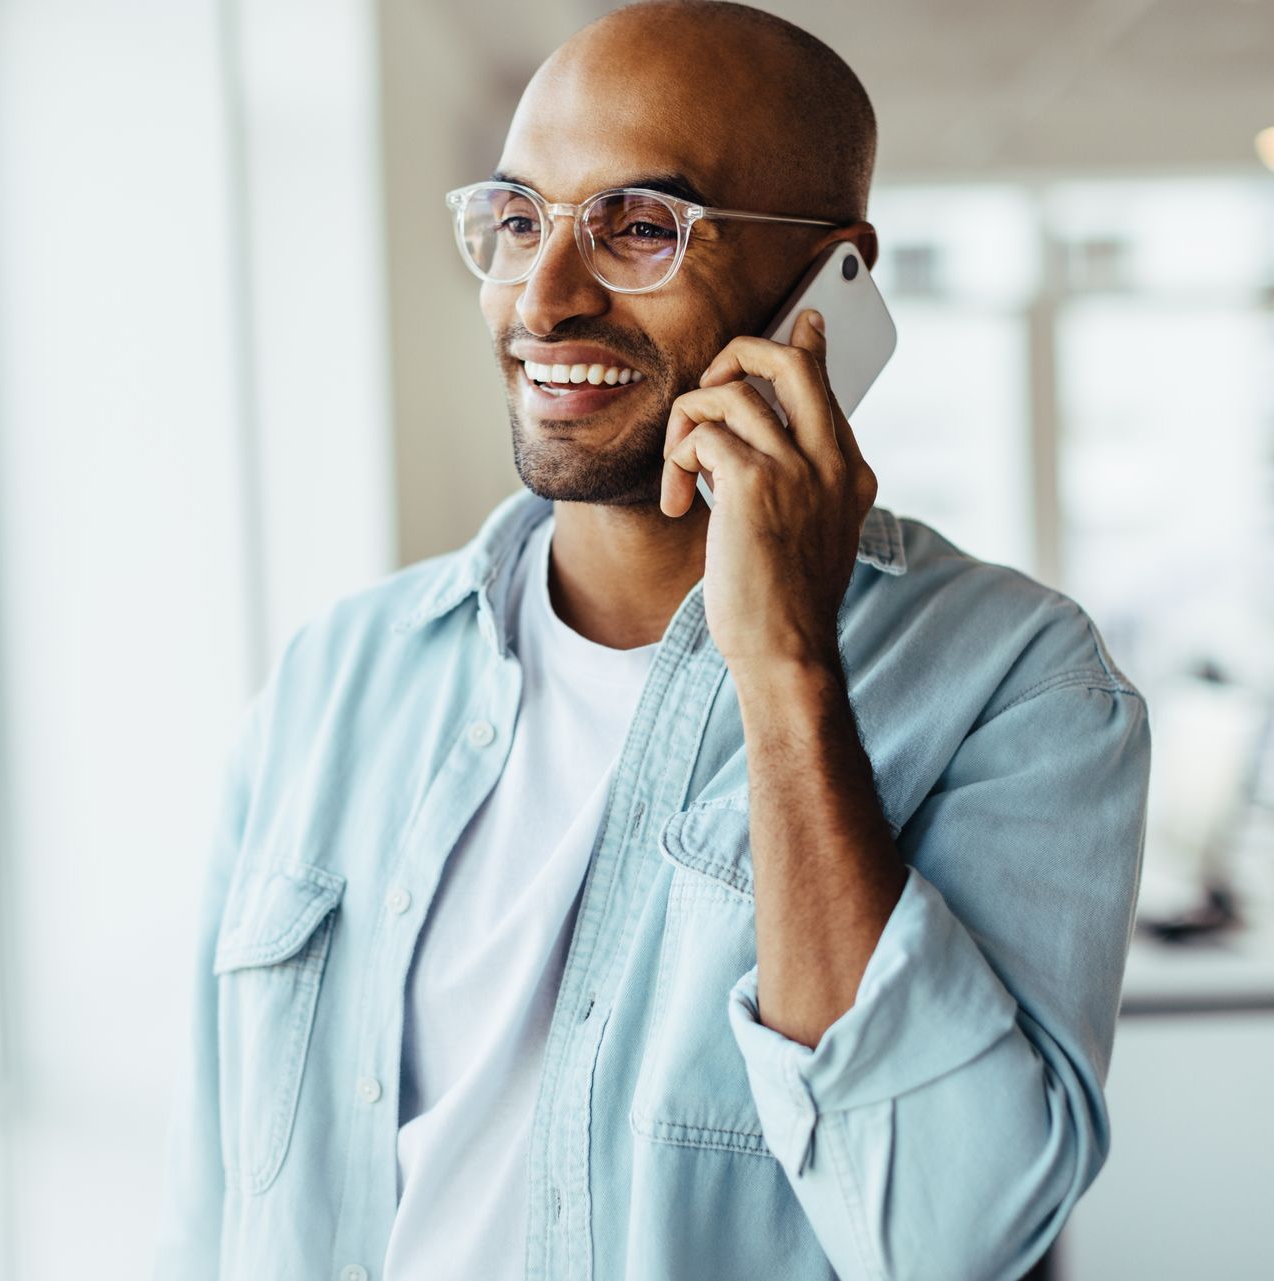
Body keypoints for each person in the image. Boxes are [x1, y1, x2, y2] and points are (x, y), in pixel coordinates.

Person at [153, 4, 1150, 1279]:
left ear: (830, 283)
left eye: (638, 229)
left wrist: (788, 671)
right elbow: (208, 1210)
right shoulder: (336, 678)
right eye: (518, 222)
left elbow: (946, 1239)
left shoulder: (1019, 686)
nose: (546, 299)